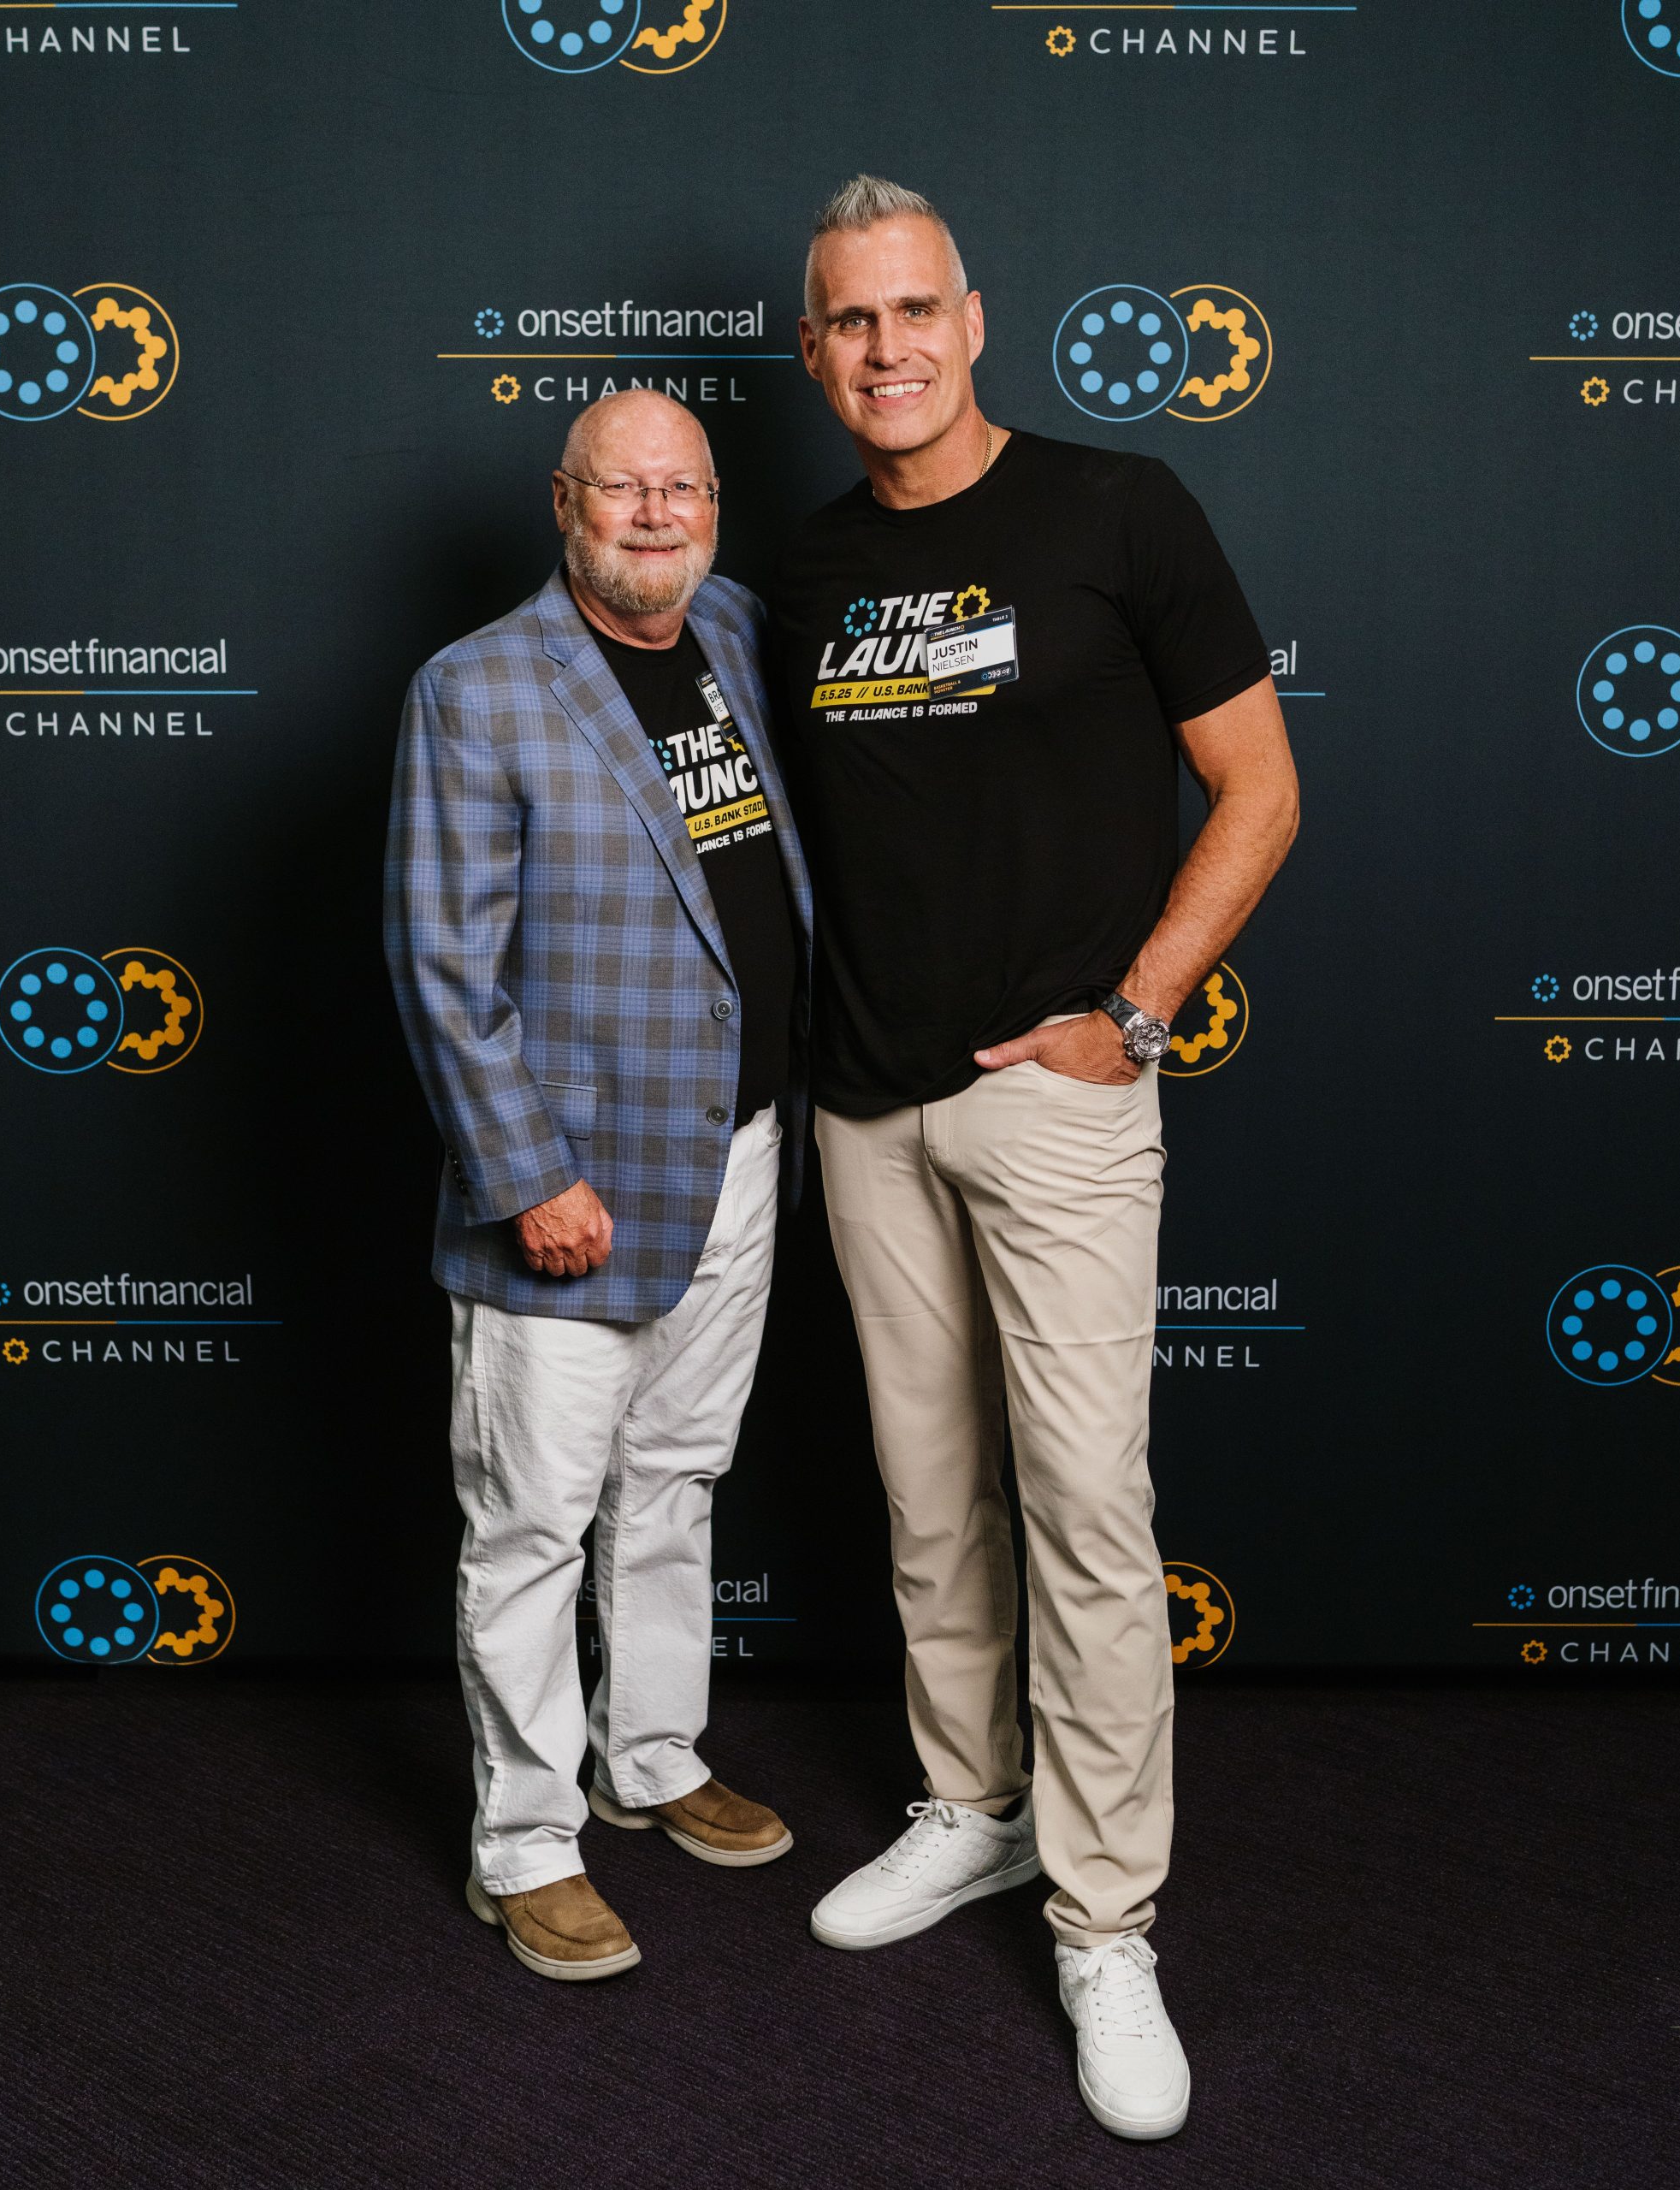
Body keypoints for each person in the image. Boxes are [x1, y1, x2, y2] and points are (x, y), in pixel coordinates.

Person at [771, 178, 1298, 2136]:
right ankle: (976, 1811)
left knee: (1082, 1504)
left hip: (1055, 1092)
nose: (886, 347)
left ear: (973, 320)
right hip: (864, 1107)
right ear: (812, 351)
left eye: (915, 309)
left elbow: (1259, 784)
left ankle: (1103, 1917)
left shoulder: (1117, 509)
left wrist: (1135, 1014)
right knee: (930, 1502)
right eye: (848, 320)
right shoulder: (801, 571)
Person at [385, 388, 811, 1983]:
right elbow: (441, 961)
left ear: (715, 503)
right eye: (623, 489)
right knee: (532, 1523)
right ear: (565, 503)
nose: (656, 515)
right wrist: (525, 1176)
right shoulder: (480, 687)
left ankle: (650, 1759)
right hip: (573, 1193)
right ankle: (524, 1842)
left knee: (678, 1479)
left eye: (682, 487)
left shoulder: (745, 636)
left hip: (741, 1152)